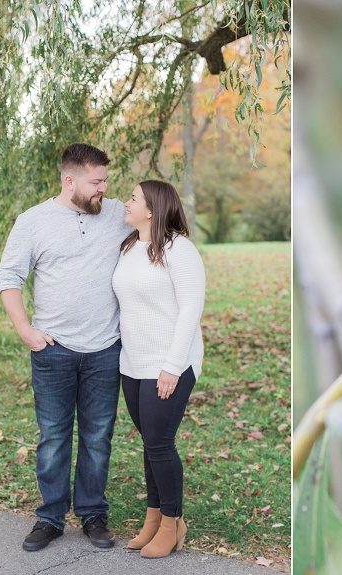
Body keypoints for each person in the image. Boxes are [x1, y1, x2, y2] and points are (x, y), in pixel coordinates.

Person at [0, 143, 131, 551]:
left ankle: (92, 514)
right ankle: (50, 518)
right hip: (53, 349)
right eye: (96, 182)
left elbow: (159, 225)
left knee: (97, 436)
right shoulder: (34, 221)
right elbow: (8, 277)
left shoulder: (116, 214)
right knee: (53, 437)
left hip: (106, 348)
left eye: (106, 180)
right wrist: (25, 330)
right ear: (69, 181)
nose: (104, 189)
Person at [111, 180, 205, 559]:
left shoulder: (180, 251)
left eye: (133, 198)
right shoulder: (130, 246)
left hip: (169, 364)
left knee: (161, 444)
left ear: (151, 209)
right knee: (150, 443)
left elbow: (189, 310)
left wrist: (172, 366)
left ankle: (172, 523)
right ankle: (154, 517)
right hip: (132, 363)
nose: (126, 202)